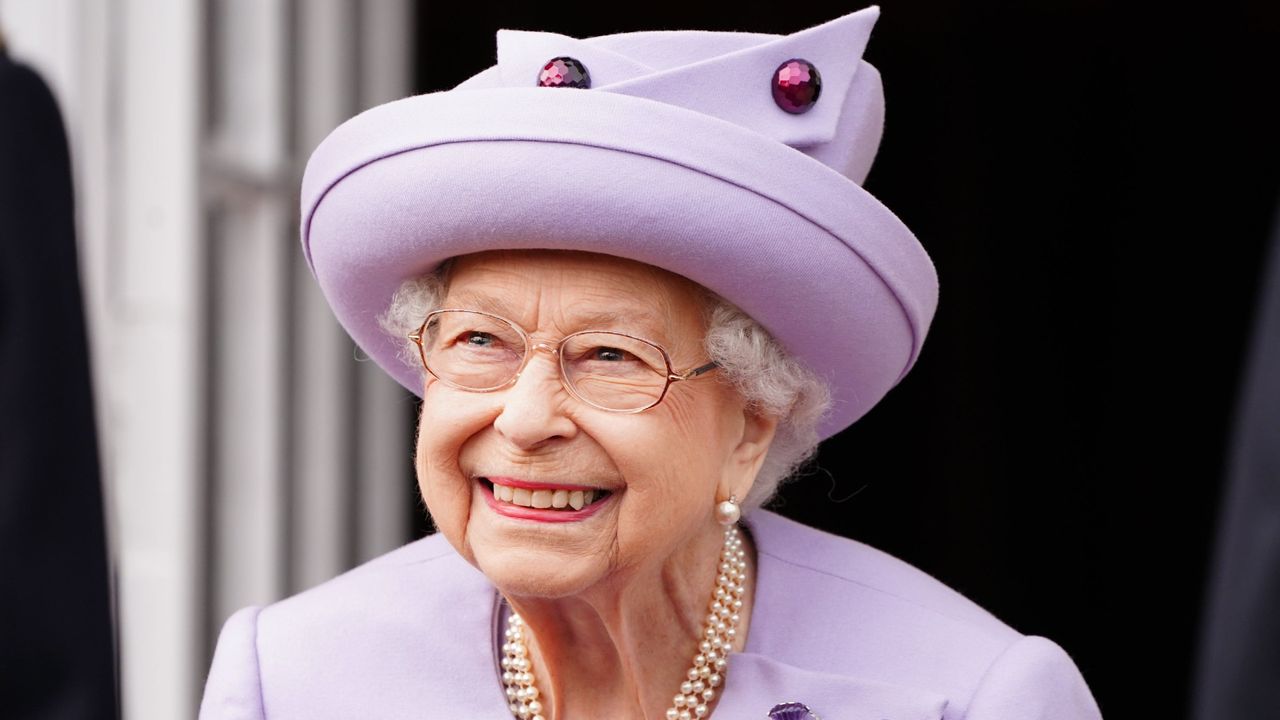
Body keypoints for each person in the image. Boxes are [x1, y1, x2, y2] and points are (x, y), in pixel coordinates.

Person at [200, 8, 1102, 719]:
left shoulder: (972, 695)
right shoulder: (293, 675)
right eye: (480, 342)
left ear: (751, 425)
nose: (523, 419)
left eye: (609, 357)